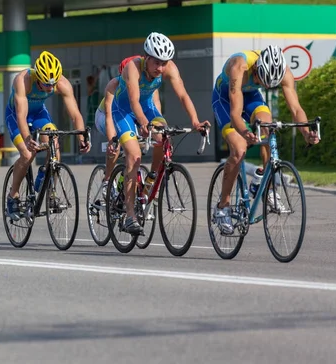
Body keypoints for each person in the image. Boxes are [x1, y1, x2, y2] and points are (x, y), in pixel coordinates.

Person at [211, 45, 319, 235]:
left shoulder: (284, 72)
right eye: (262, 80)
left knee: (269, 128)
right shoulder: (239, 65)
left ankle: (262, 183)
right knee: (239, 149)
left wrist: (305, 132)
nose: (266, 86)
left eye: (271, 84)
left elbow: (296, 109)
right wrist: (245, 132)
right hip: (226, 99)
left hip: (251, 96)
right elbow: (236, 113)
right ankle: (223, 206)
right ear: (257, 68)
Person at [111, 32, 209, 234]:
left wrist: (195, 121)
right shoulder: (133, 68)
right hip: (124, 111)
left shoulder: (169, 68)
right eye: (156, 62)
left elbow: (182, 95)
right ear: (146, 57)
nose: (161, 68)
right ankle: (129, 216)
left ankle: (151, 180)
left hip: (147, 108)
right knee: (135, 155)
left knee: (164, 140)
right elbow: (133, 101)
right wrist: (145, 123)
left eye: (164, 63)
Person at [4, 50, 91, 221]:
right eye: (46, 85)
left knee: (55, 149)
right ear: (38, 77)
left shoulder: (62, 83)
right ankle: (12, 196)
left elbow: (75, 115)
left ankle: (50, 190)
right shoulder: (23, 80)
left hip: (38, 115)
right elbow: (21, 116)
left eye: (53, 84)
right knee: (28, 154)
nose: (51, 88)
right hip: (16, 116)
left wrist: (82, 138)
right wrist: (28, 139)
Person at [94, 76, 161, 198]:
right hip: (105, 115)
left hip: (131, 114)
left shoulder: (151, 85)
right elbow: (109, 117)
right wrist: (112, 140)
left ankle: (126, 182)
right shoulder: (115, 85)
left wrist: (154, 130)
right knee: (118, 141)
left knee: (133, 148)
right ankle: (107, 180)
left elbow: (155, 111)